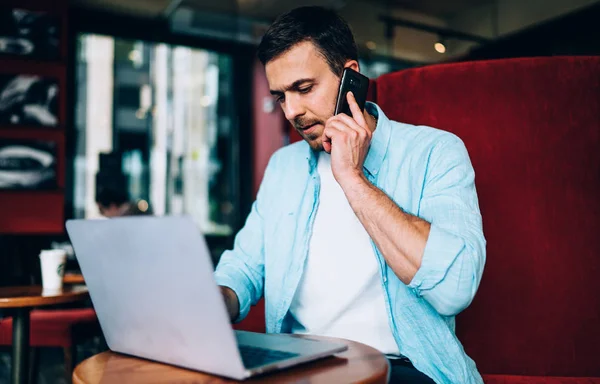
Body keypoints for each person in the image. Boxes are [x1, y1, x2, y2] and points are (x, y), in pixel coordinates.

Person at [214, 6, 486, 383]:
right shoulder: (283, 167)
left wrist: (353, 178)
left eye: (304, 89)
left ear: (350, 78)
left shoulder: (435, 152)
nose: (292, 112)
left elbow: (455, 288)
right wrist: (212, 302)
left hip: (401, 368)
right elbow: (244, 267)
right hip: (298, 367)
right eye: (280, 97)